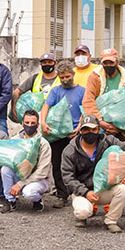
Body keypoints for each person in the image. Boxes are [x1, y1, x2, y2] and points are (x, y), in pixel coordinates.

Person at [62, 115, 125, 233]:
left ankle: (111, 220)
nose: (90, 132)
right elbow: (67, 177)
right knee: (83, 212)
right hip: (83, 191)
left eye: (94, 129)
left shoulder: (108, 141)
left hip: (105, 188)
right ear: (80, 131)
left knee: (124, 190)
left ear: (99, 129)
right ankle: (83, 217)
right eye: (86, 129)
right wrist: (85, 192)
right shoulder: (70, 150)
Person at [40, 59, 86, 208]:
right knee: (57, 164)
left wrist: (79, 126)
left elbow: (84, 109)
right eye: (62, 77)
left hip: (75, 133)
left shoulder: (82, 91)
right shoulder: (56, 91)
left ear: (73, 74)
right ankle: (62, 194)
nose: (65, 80)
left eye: (68, 76)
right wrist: (43, 122)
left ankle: (79, 193)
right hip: (58, 134)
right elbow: (46, 106)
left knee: (77, 165)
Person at [0, 109, 52, 213]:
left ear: (38, 125)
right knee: (5, 169)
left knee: (29, 192)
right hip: (20, 174)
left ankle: (37, 200)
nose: (29, 125)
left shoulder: (43, 144)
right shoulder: (15, 140)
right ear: (22, 123)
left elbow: (42, 171)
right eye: (27, 123)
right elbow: (8, 159)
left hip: (39, 179)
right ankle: (10, 201)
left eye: (33, 123)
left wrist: (21, 184)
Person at [81, 48, 125, 140]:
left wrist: (119, 127)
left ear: (117, 62)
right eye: (105, 63)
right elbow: (88, 100)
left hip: (119, 129)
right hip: (97, 124)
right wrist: (99, 121)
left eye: (111, 63)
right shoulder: (95, 76)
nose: (108, 65)